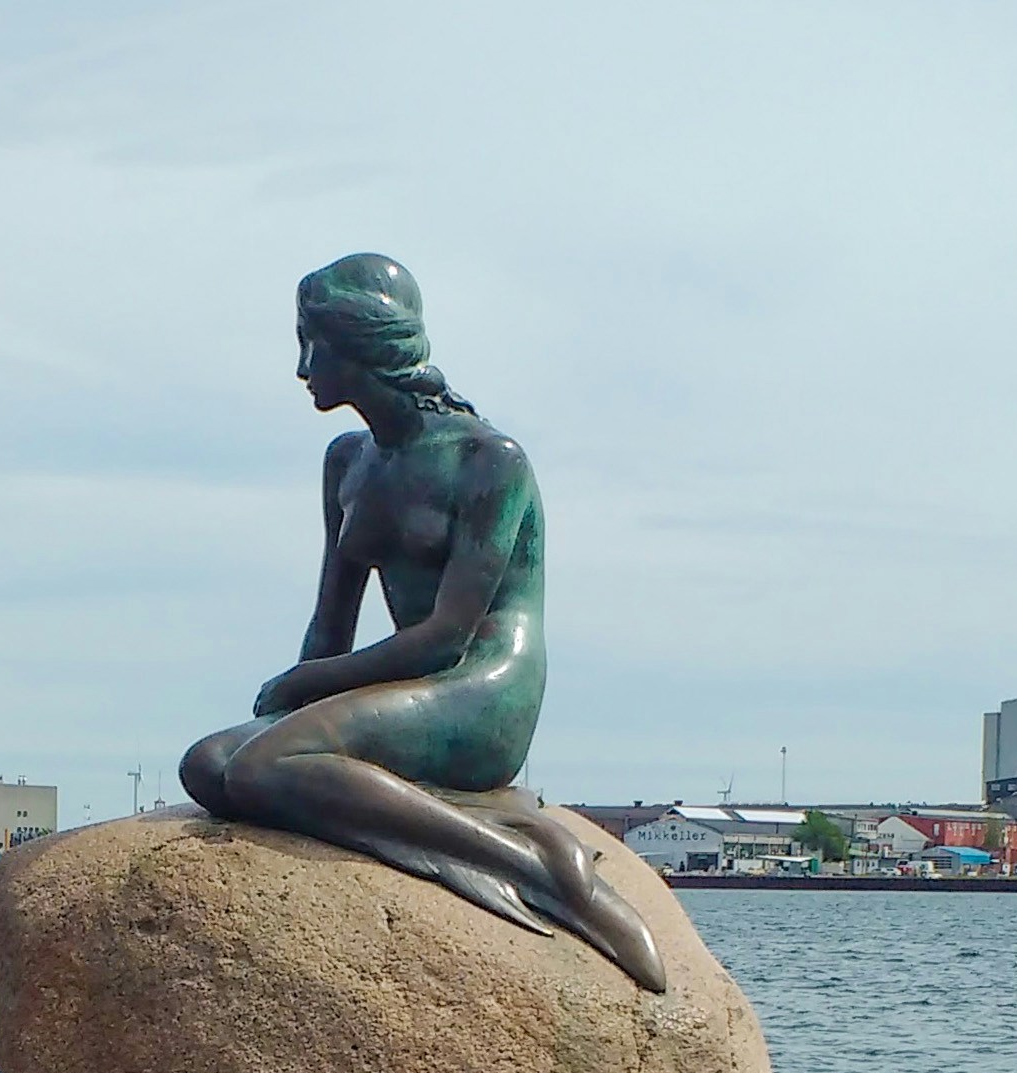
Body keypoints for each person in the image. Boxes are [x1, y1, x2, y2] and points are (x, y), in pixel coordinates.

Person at [180, 254, 664, 992]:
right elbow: (329, 624)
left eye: (313, 341)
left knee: (264, 766)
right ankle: (461, 824)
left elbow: (449, 635)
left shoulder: (487, 459)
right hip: (402, 684)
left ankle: (538, 868)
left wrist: (310, 685)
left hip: (480, 687)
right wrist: (298, 692)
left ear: (362, 343)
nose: (303, 366)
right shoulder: (347, 460)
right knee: (209, 765)